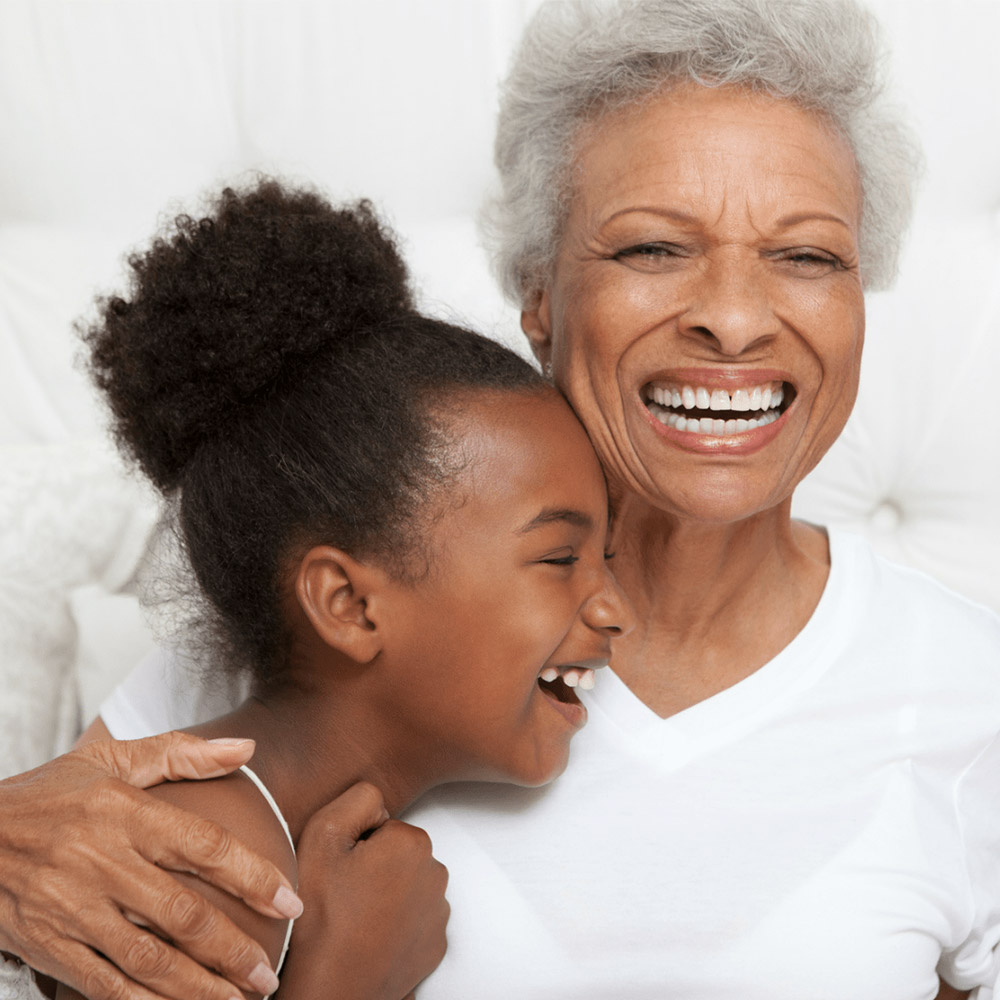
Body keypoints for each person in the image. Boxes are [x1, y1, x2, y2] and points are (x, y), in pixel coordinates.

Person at [1, 0, 998, 997]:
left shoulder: (965, 692)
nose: (734, 321)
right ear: (538, 294)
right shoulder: (308, 653)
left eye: (808, 255)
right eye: (652, 248)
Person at [0, 179, 631, 1000]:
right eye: (558, 559)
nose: (613, 605)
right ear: (348, 604)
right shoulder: (209, 862)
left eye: (607, 558)